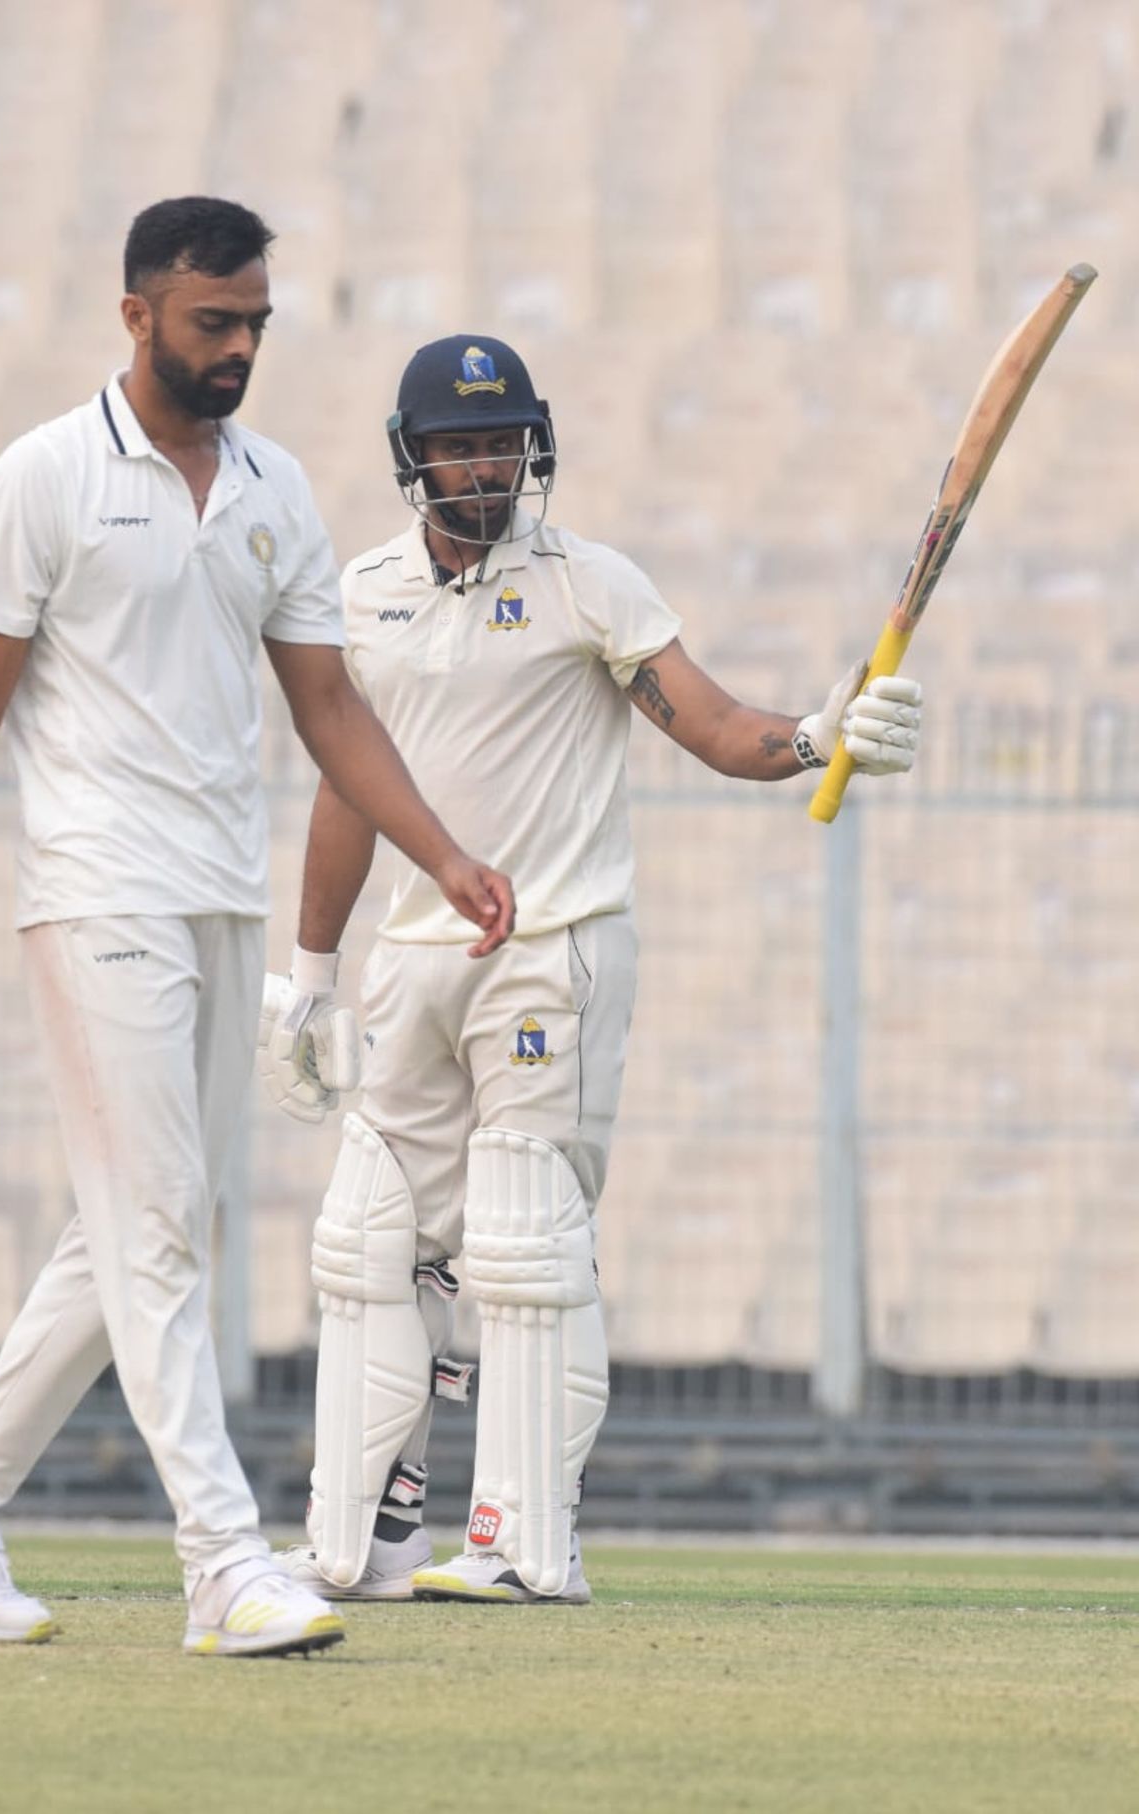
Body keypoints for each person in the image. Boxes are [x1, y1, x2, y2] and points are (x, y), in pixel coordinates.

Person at [0, 209, 513, 1657]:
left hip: (219, 893)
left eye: (257, 324)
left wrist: (445, 853)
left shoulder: (276, 485)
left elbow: (331, 711)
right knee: (159, 1228)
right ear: (137, 314)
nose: (239, 349)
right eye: (215, 322)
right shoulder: (40, 479)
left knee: (135, 1234)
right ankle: (222, 1561)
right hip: (96, 889)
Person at [258, 333, 924, 1606]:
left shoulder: (588, 583)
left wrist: (815, 733)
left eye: (501, 438)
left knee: (519, 1241)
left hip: (552, 949)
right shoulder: (362, 594)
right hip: (410, 960)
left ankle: (521, 1546)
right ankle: (359, 1544)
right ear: (412, 455)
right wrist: (308, 973)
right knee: (364, 1242)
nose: (484, 462)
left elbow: (721, 729)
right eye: (457, 442)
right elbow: (352, 789)